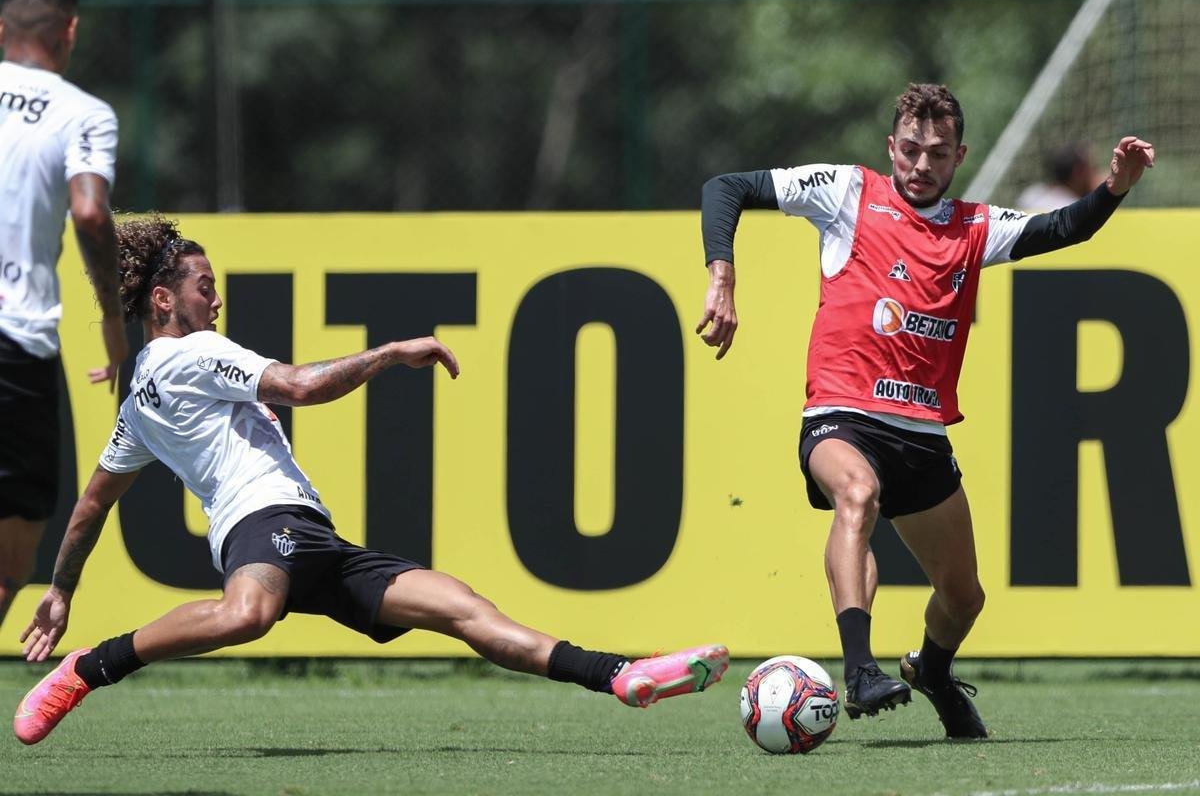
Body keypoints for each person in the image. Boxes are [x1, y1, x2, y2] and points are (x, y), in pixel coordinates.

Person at [13, 215, 728, 746]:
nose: (216, 302)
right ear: (163, 303)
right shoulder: (191, 352)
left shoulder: (140, 395)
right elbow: (298, 385)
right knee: (247, 615)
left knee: (462, 608)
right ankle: (91, 667)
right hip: (264, 526)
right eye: (206, 288)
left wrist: (61, 589)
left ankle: (618, 675)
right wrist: (390, 351)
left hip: (310, 539)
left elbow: (90, 506)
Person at [695, 83, 1153, 739]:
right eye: (910, 149)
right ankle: (858, 670)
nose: (921, 164)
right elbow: (725, 186)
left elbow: (1060, 228)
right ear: (892, 147)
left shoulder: (972, 227)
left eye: (937, 153)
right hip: (840, 416)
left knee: (964, 598)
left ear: (958, 156)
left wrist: (1113, 187)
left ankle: (932, 672)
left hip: (922, 434)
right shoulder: (847, 192)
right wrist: (722, 277)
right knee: (857, 493)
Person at [0, 0, 128, 630]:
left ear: (0, 29)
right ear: (70, 31)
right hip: (13, 342)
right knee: (9, 558)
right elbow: (89, 212)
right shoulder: (82, 113)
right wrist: (111, 316)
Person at [1016, 142, 1104, 211]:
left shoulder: (1031, 195)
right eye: (1093, 168)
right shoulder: (1075, 211)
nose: (1097, 174)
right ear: (1078, 173)